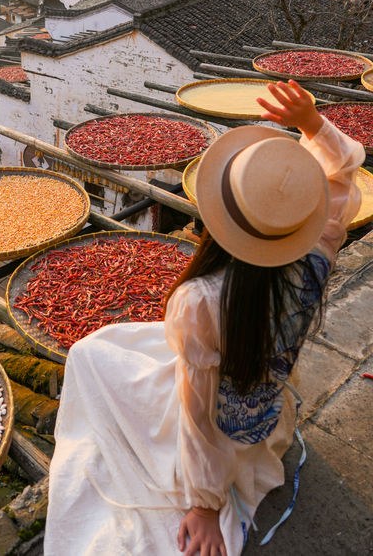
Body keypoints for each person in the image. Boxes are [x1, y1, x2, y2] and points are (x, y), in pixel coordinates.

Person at [44, 80, 364, 556]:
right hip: (263, 420)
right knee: (124, 350)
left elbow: (197, 414)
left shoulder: (202, 299)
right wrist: (312, 124)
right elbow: (343, 175)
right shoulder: (321, 248)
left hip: (219, 441)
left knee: (91, 354)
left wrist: (205, 505)